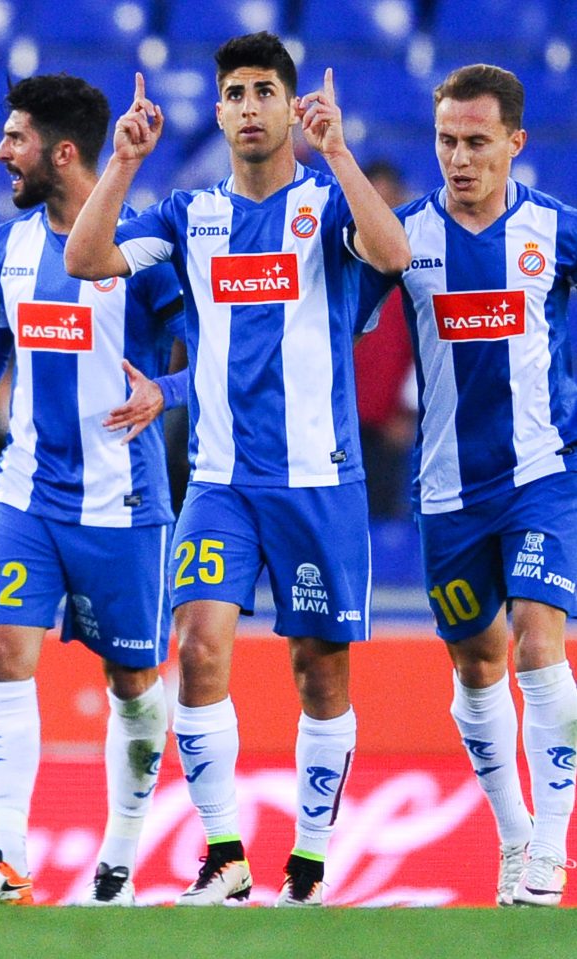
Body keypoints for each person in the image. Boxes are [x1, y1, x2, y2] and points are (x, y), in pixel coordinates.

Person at [65, 32, 410, 906]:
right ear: (217, 111)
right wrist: (123, 164)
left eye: (265, 90)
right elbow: (85, 258)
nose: (249, 105)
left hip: (318, 479)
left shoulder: (326, 209)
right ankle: (225, 853)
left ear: (288, 106)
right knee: (200, 647)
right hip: (219, 481)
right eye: (236, 92)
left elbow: (395, 254)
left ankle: (310, 856)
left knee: (318, 671)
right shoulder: (188, 215)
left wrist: (336, 152)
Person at [357, 64, 577, 907]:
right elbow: (328, 314)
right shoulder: (405, 239)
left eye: (477, 141)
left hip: (541, 476)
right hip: (446, 491)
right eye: (448, 140)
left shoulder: (553, 230)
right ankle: (514, 837)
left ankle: (552, 852)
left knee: (536, 638)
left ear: (515, 143)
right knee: (478, 665)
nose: (460, 157)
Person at [0, 74, 185, 907]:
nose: (0, 152)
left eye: (15, 138)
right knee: (3, 649)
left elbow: (212, 355)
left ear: (62, 152)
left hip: (122, 506)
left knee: (134, 682)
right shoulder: (4, 247)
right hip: (26, 492)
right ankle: (7, 856)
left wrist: (176, 392)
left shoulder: (147, 252)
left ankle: (119, 859)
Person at [354, 161, 416, 519]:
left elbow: (428, 345)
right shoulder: (338, 263)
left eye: (386, 204)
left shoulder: (415, 270)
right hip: (335, 425)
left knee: (382, 527)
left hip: (385, 428)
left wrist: (407, 411)